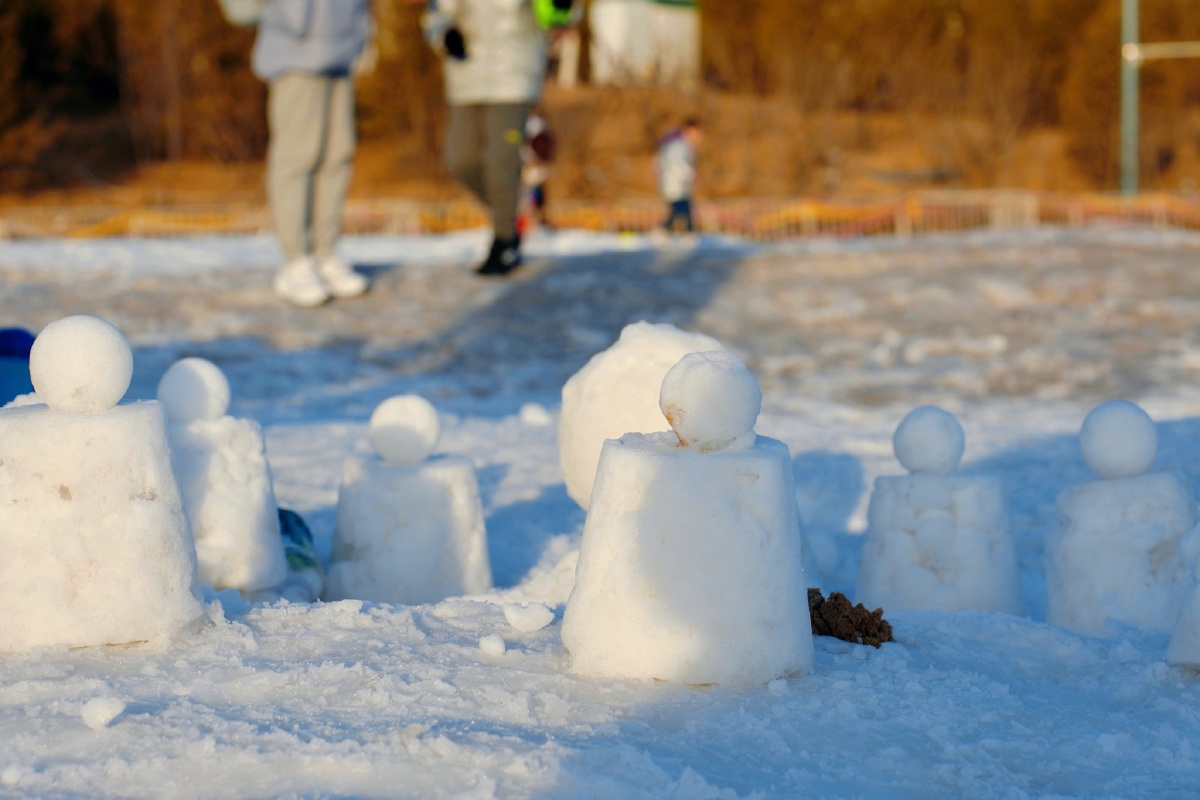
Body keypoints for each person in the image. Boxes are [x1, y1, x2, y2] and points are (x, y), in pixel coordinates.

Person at [424, 0, 574, 277]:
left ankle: (505, 240)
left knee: (501, 161)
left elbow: (555, 14)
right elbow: (436, 13)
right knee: (459, 158)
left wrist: (560, 6)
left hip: (514, 77)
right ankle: (507, 213)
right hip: (465, 77)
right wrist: (444, 34)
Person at [252, 0, 372, 307]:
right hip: (294, 56)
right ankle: (295, 262)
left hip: (341, 54)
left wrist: (362, 35)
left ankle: (324, 252)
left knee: (336, 156)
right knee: (297, 158)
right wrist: (288, 15)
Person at [658, 117, 703, 234]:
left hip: (679, 187)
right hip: (676, 187)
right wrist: (692, 176)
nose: (698, 136)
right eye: (696, 133)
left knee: (678, 213)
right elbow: (678, 165)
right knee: (684, 211)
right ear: (689, 131)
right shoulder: (679, 146)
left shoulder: (684, 145)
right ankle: (687, 234)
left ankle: (665, 232)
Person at [520, 109, 556, 230]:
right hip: (528, 169)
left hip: (533, 169)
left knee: (530, 197)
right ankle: (527, 223)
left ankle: (534, 221)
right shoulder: (536, 125)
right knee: (526, 199)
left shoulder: (535, 125)